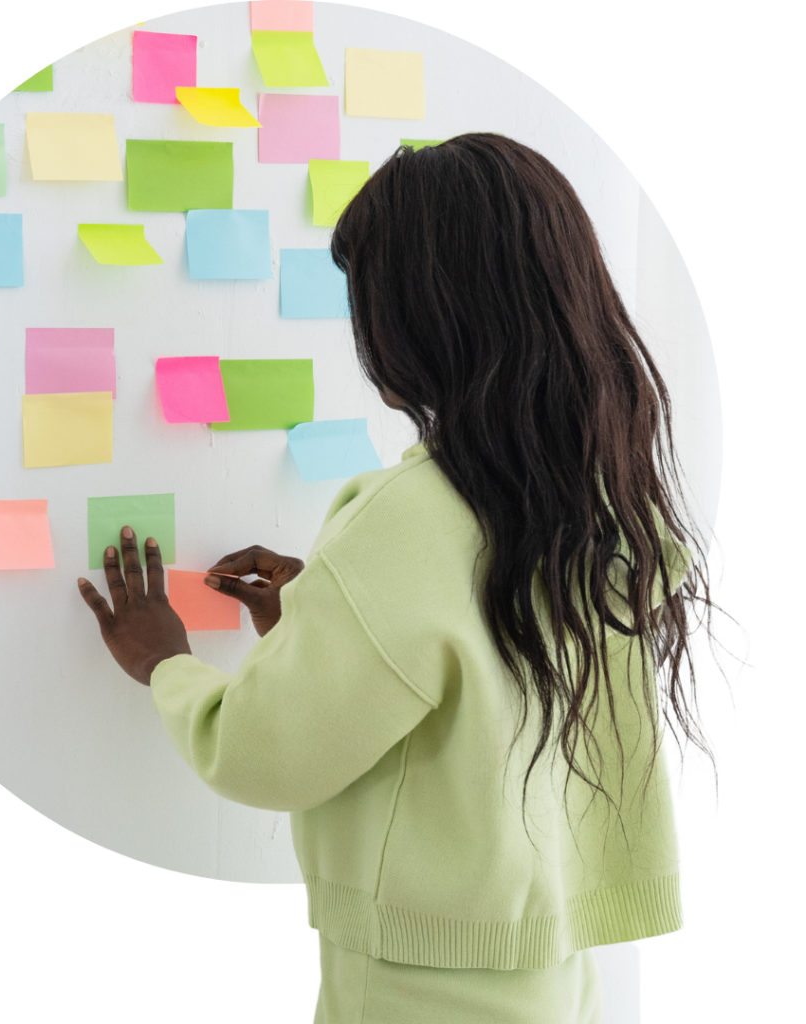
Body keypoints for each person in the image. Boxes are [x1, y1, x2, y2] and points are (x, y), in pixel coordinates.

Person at [78, 133, 743, 1023]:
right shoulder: (604, 498)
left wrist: (166, 659)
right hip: (557, 981)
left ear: (424, 320)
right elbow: (476, 680)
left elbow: (259, 754)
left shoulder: (409, 521)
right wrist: (319, 619)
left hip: (414, 995)